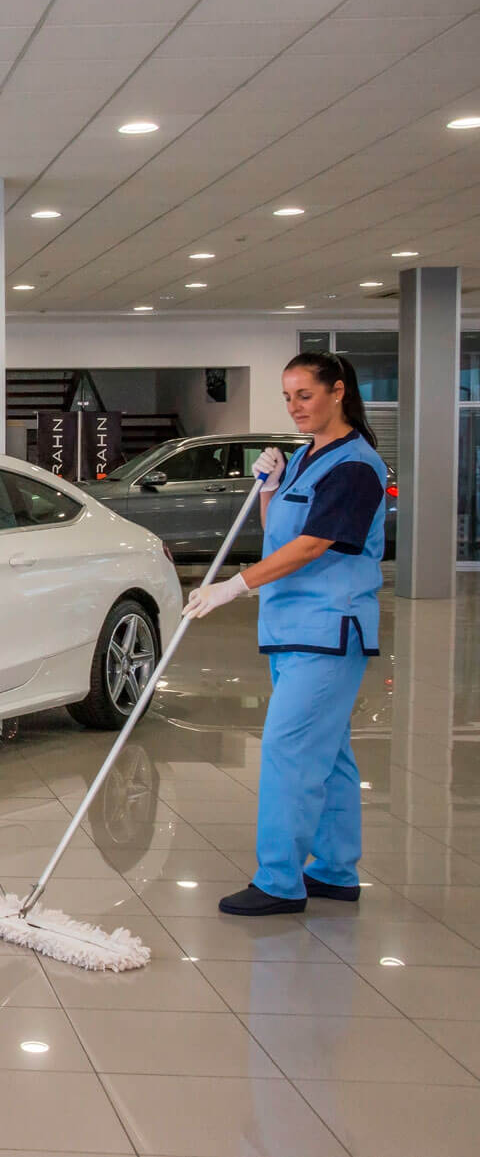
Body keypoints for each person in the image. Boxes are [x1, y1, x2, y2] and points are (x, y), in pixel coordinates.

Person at [183, 351, 388, 916]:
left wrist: (233, 585)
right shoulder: (305, 458)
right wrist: (271, 488)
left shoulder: (356, 467)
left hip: (328, 630)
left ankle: (279, 881)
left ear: (338, 391)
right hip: (292, 628)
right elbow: (282, 533)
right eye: (288, 397)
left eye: (305, 395)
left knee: (288, 750)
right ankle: (335, 870)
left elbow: (313, 545)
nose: (295, 407)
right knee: (330, 754)